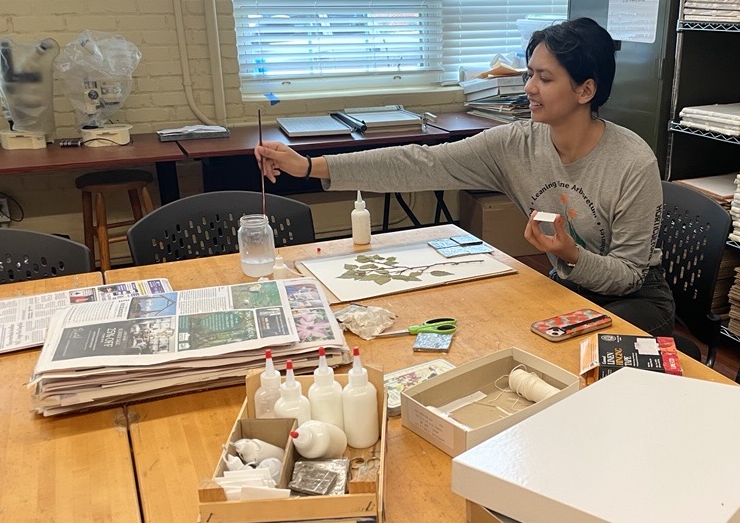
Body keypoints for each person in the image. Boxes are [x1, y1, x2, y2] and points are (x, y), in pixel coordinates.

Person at [255, 17, 675, 336]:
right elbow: (420, 163)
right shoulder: (516, 144)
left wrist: (571, 256)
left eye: (545, 78)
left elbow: (629, 275)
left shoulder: (632, 162)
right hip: (569, 285)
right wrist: (309, 166)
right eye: (529, 74)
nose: (529, 87)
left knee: (567, 354)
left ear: (585, 91)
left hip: (634, 298)